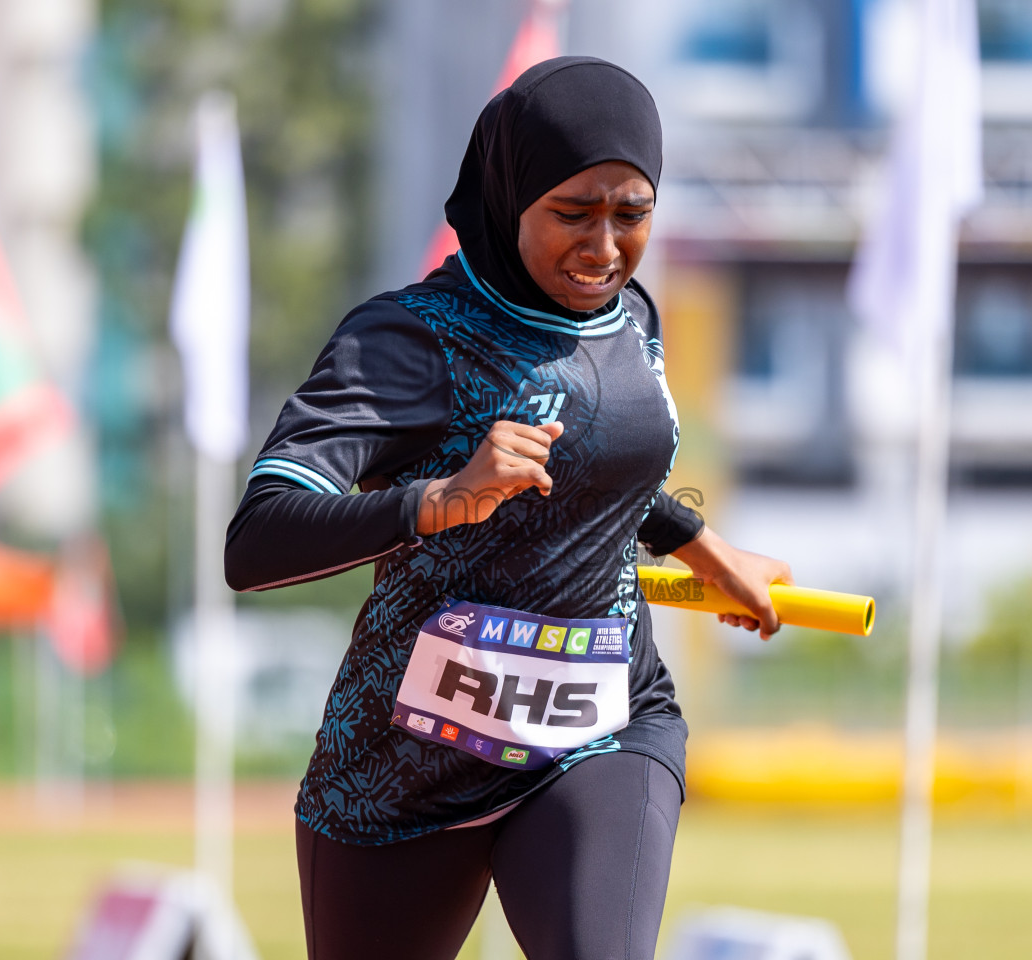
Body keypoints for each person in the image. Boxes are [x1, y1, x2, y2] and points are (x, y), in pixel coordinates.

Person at [225, 56, 792, 960]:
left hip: (600, 725)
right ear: (508, 195)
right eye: (572, 214)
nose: (604, 248)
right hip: (406, 767)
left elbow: (605, 464)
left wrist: (705, 548)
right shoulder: (404, 341)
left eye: (631, 215)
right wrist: (439, 500)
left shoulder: (629, 317)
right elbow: (256, 542)